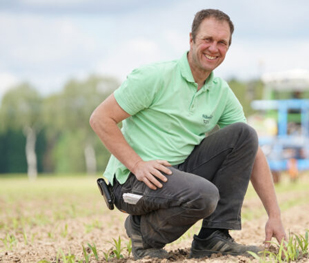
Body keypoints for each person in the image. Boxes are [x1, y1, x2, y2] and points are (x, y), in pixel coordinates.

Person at [89, 9, 286, 260]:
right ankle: (142, 233)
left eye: (222, 43)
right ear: (191, 39)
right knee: (205, 194)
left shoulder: (220, 92)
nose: (213, 48)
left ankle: (213, 237)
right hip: (133, 179)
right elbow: (100, 118)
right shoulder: (154, 76)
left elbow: (252, 151)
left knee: (244, 135)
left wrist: (275, 215)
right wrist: (137, 165)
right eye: (207, 39)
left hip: (177, 174)